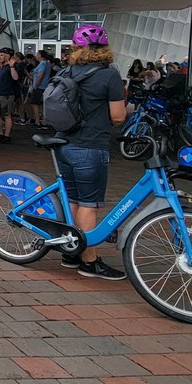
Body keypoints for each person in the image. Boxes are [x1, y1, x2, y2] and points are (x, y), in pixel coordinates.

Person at [55, 24, 128, 281]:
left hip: (63, 144)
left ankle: (71, 251)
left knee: (73, 199)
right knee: (89, 204)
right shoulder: (109, 76)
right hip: (90, 147)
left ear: (76, 49)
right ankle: (90, 261)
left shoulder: (68, 71)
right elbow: (118, 116)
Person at [0, 47, 20, 142]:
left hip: (7, 94)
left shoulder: (10, 67)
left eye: (2, 55)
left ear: (8, 56)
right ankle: (0, 133)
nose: (0, 57)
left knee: (7, 115)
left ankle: (6, 136)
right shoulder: (2, 67)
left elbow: (15, 78)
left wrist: (12, 66)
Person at [29, 50, 52, 128]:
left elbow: (40, 75)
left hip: (39, 86)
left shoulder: (42, 64)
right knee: (41, 104)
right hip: (45, 86)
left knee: (35, 103)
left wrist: (35, 85)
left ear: (40, 55)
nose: (35, 55)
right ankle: (43, 121)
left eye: (37, 54)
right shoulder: (47, 63)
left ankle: (38, 121)